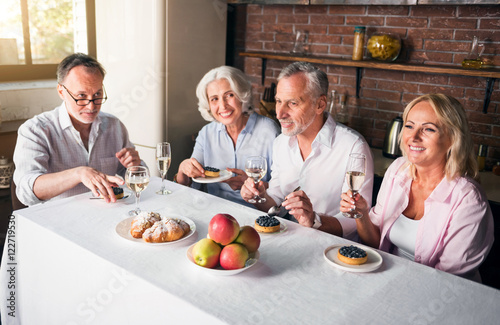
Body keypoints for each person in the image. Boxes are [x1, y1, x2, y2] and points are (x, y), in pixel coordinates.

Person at [340, 93, 494, 281]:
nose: (413, 137)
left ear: (452, 138)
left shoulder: (468, 199)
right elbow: (374, 242)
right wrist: (362, 214)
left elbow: (449, 280)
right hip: (388, 278)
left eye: (428, 129)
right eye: (409, 126)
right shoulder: (398, 170)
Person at [241, 62, 374, 239]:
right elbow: (276, 203)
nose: (279, 113)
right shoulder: (281, 142)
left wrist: (314, 220)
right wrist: (257, 196)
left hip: (333, 249)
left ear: (320, 104)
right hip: (288, 238)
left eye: (292, 103)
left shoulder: (353, 147)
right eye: (279, 101)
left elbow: (354, 220)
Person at [13, 53, 142, 206]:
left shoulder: (115, 126)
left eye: (97, 94)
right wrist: (78, 174)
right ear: (61, 91)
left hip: (106, 216)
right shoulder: (35, 130)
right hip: (57, 221)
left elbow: (134, 178)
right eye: (81, 96)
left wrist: (135, 167)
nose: (91, 106)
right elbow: (26, 193)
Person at [175, 66, 280, 207]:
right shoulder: (207, 133)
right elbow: (190, 184)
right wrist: (183, 168)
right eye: (214, 99)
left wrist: (252, 185)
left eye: (229, 95)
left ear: (241, 94)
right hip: (213, 211)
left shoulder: (269, 130)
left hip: (256, 214)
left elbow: (283, 190)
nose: (223, 106)